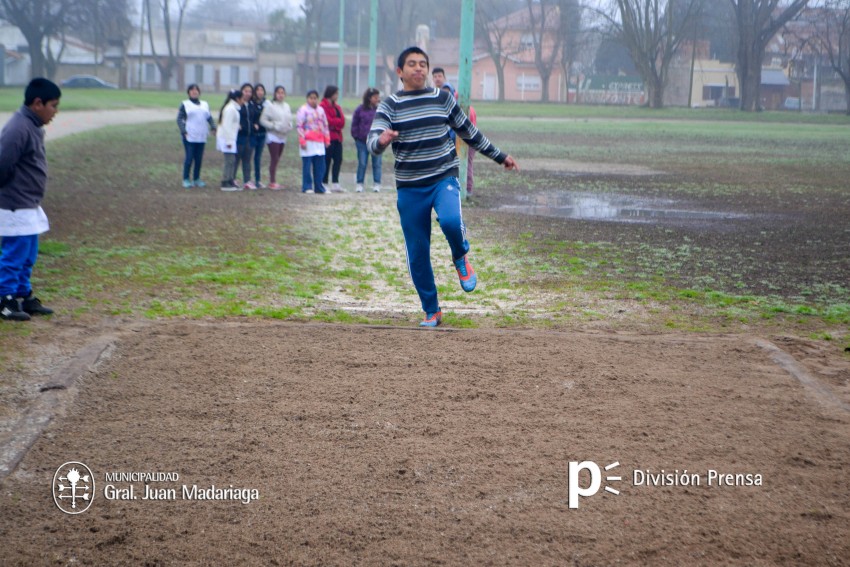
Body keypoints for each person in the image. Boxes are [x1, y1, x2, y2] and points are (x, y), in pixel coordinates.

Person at [368, 47, 519, 328]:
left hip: (443, 177)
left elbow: (469, 133)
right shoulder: (389, 105)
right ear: (399, 72)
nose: (419, 69)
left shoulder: (443, 99)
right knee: (417, 250)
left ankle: (460, 255)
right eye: (412, 64)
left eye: (423, 64)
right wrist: (382, 140)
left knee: (450, 221)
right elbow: (372, 141)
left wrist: (500, 156)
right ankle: (431, 309)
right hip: (410, 187)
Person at [0, 78, 61, 321]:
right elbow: (3, 163)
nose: (55, 112)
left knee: (28, 254)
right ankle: (5, 300)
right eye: (53, 106)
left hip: (28, 204)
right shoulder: (19, 128)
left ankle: (23, 296)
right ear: (38, 104)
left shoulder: (31, 125)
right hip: (16, 205)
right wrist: (11, 193)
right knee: (15, 254)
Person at [434, 69, 477, 196]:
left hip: (466, 141)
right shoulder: (442, 106)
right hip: (453, 141)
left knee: (465, 165)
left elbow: (468, 129)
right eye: (435, 76)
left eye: (439, 76)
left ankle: (467, 190)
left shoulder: (463, 108)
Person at [177, 83, 216, 188]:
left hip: (201, 135)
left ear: (199, 92)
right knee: (189, 158)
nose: (194, 92)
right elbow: (179, 119)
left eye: (196, 90)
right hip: (189, 135)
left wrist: (213, 127)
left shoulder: (204, 104)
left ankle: (196, 179)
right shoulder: (185, 104)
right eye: (192, 90)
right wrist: (183, 130)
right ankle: (186, 179)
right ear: (189, 92)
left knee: (198, 159)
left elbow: (209, 117)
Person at [296, 90, 330, 194]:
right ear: (307, 99)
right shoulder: (303, 110)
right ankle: (307, 186)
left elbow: (325, 125)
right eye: (311, 98)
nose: (313, 100)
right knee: (307, 165)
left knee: (320, 165)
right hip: (308, 141)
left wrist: (327, 139)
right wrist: (302, 140)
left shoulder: (321, 110)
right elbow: (299, 126)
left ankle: (319, 186)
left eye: (315, 98)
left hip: (319, 142)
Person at [259, 85, 293, 190]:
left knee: (278, 158)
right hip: (273, 135)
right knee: (275, 157)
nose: (280, 95)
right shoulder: (270, 106)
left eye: (282, 93)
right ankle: (272, 181)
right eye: (278, 93)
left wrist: (290, 126)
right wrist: (274, 126)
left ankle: (274, 180)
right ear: (274, 94)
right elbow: (263, 120)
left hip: (283, 135)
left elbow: (289, 119)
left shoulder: (286, 106)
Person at [350, 87, 382, 193]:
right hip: (362, 141)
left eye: (378, 97)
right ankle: (359, 184)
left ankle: (377, 184)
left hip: (377, 142)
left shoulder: (380, 109)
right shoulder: (360, 109)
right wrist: (356, 136)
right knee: (362, 163)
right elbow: (354, 123)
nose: (377, 99)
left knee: (377, 163)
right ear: (369, 98)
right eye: (375, 97)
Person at [216, 89, 244, 192]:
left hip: (231, 137)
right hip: (227, 138)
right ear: (237, 99)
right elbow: (226, 125)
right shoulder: (230, 109)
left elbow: (231, 123)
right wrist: (228, 141)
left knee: (232, 160)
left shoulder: (233, 108)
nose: (243, 101)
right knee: (230, 160)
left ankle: (230, 180)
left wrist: (237, 126)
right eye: (242, 99)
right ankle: (225, 181)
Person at [319, 85, 346, 192]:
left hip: (338, 137)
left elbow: (342, 121)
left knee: (338, 159)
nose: (337, 96)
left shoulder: (337, 107)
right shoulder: (322, 106)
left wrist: (335, 123)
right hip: (328, 137)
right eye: (336, 94)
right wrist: (336, 122)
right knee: (327, 160)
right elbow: (327, 121)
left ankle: (335, 182)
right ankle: (324, 182)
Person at [236, 83, 255, 189]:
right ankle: (232, 178)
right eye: (245, 91)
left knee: (247, 159)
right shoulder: (238, 104)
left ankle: (247, 180)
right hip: (240, 136)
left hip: (250, 136)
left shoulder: (251, 104)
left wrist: (254, 125)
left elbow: (254, 117)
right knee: (236, 158)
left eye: (250, 91)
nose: (248, 93)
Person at [250, 83, 268, 188]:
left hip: (262, 134)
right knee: (248, 157)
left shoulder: (266, 103)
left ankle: (258, 179)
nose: (260, 92)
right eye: (258, 90)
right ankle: (247, 179)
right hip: (252, 134)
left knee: (258, 158)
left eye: (262, 90)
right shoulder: (251, 103)